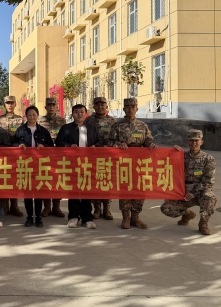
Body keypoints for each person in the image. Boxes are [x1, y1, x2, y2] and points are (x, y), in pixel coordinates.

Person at [108, 98, 157, 229]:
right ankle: (126, 218)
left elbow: (148, 139)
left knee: (140, 188)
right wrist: (119, 144)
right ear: (124, 109)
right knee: (125, 189)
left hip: (140, 162)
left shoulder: (142, 126)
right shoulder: (117, 126)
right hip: (124, 162)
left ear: (137, 109)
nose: (130, 109)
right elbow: (110, 142)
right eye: (128, 107)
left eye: (133, 107)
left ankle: (135, 217)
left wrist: (151, 144)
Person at [161, 130, 217, 235]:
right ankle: (187, 214)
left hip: (200, 192)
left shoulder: (208, 159)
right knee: (166, 208)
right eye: (191, 140)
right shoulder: (181, 156)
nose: (193, 143)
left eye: (196, 140)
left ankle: (203, 223)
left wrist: (194, 193)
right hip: (182, 192)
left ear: (201, 142)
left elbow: (208, 181)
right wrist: (172, 152)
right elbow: (164, 164)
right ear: (187, 142)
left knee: (210, 197)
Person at [56, 104, 102, 229]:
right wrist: (69, 146)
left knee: (87, 190)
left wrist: (95, 146)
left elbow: (100, 141)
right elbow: (59, 142)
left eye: (82, 112)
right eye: (76, 112)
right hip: (72, 164)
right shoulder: (66, 128)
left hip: (88, 163)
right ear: (72, 114)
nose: (79, 114)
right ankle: (73, 217)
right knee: (74, 190)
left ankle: (87, 218)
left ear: (86, 113)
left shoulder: (92, 128)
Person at [12, 105, 54, 227]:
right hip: (25, 165)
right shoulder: (20, 130)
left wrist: (44, 147)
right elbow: (13, 143)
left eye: (34, 115)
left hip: (40, 165)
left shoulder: (43, 131)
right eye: (29, 115)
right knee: (28, 193)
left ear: (37, 116)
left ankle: (38, 217)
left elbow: (51, 146)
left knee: (39, 192)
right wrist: (18, 146)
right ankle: (29, 217)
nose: (32, 117)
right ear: (26, 116)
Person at [84, 96, 116, 220]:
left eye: (103, 104)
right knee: (95, 181)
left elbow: (117, 137)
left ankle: (107, 208)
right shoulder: (88, 121)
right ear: (94, 107)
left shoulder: (113, 121)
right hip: (92, 155)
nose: (100, 107)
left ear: (106, 106)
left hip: (108, 156)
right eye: (97, 104)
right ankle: (97, 208)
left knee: (107, 180)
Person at [38, 97, 67, 219]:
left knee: (57, 179)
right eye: (49, 105)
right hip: (44, 155)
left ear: (56, 107)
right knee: (46, 179)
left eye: (53, 105)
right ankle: (47, 207)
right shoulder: (40, 120)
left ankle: (56, 206)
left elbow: (65, 136)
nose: (51, 107)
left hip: (58, 155)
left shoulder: (62, 120)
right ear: (45, 107)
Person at [0, 95, 24, 217]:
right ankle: (5, 206)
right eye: (7, 103)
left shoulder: (20, 120)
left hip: (16, 154)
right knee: (4, 179)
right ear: (4, 105)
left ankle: (14, 205)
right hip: (2, 154)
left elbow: (23, 135)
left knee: (14, 179)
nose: (10, 105)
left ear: (15, 104)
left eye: (12, 103)